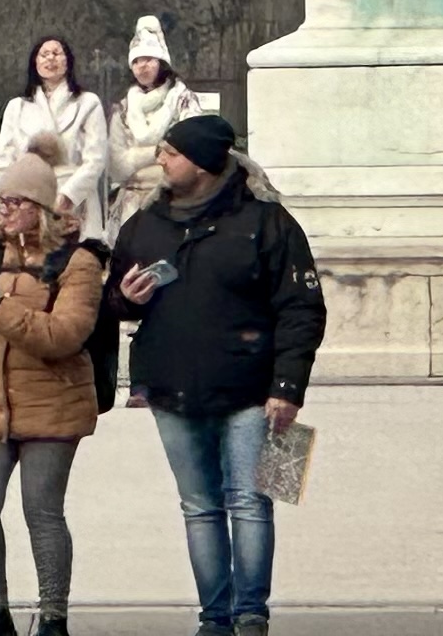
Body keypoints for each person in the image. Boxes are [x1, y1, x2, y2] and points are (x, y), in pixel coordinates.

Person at [107, 115, 325, 636]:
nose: (160, 160)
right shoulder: (146, 222)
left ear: (203, 162)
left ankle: (250, 613)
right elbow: (111, 297)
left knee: (250, 502)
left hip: (251, 388)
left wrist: (287, 387)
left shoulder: (268, 222)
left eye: (171, 153)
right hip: (171, 387)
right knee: (199, 506)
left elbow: (301, 309)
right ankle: (214, 615)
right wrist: (125, 299)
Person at [0, 149, 111, 636]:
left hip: (53, 403)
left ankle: (53, 616)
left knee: (42, 511)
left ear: (42, 207)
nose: (6, 211)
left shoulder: (76, 262)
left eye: (16, 202)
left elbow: (63, 336)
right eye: (1, 201)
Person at [0, 36, 115, 235]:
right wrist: (2, 201)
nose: (51, 58)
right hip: (28, 202)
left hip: (75, 198)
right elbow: (3, 161)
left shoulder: (88, 103)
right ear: (34, 62)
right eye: (44, 54)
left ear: (68, 61)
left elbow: (96, 159)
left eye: (57, 53)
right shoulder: (17, 107)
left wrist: (68, 196)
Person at [111, 19, 210, 235]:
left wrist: (137, 156)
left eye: (148, 59)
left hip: (175, 198)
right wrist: (161, 151)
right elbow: (118, 164)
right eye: (136, 61)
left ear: (162, 63)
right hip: (131, 202)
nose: (142, 66)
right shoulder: (123, 108)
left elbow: (192, 149)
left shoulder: (183, 100)